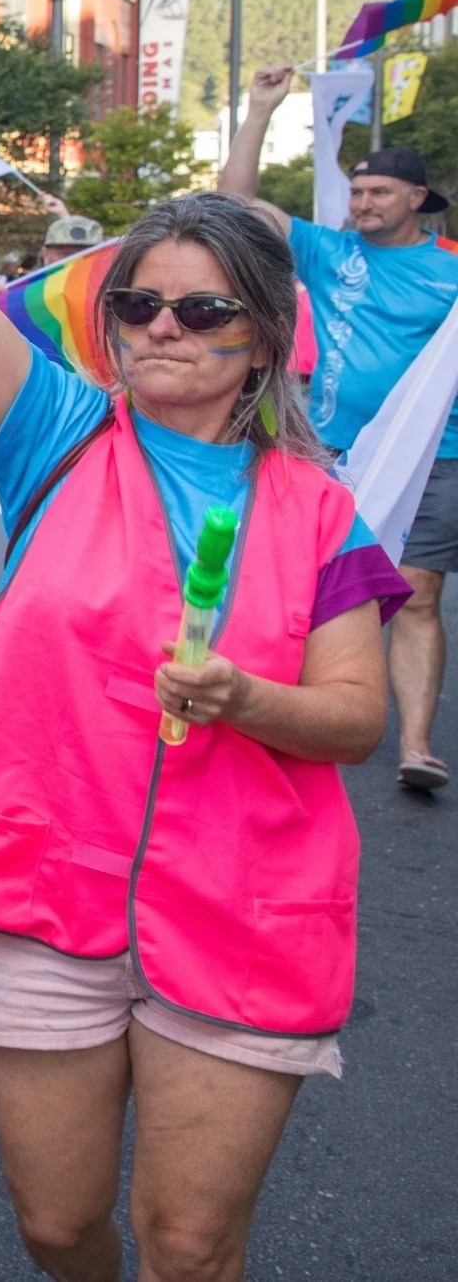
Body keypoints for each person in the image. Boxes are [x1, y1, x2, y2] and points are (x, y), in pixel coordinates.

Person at [0, 0, 404, 1282]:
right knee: (59, 1227)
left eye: (202, 311)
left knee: (186, 1241)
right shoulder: (59, 435)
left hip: (239, 903)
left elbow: (354, 718)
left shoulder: (316, 506)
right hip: (43, 889)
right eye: (140, 306)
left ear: (261, 339)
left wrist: (241, 698)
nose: (163, 329)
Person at [220, 62, 457, 792]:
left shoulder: (449, 272)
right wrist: (260, 109)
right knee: (301, 588)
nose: (361, 203)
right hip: (325, 454)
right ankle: (283, 714)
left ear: (418, 199)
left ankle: (414, 745)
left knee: (415, 593)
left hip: (431, 461)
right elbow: (233, 205)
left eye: (379, 192)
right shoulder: (331, 251)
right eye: (355, 191)